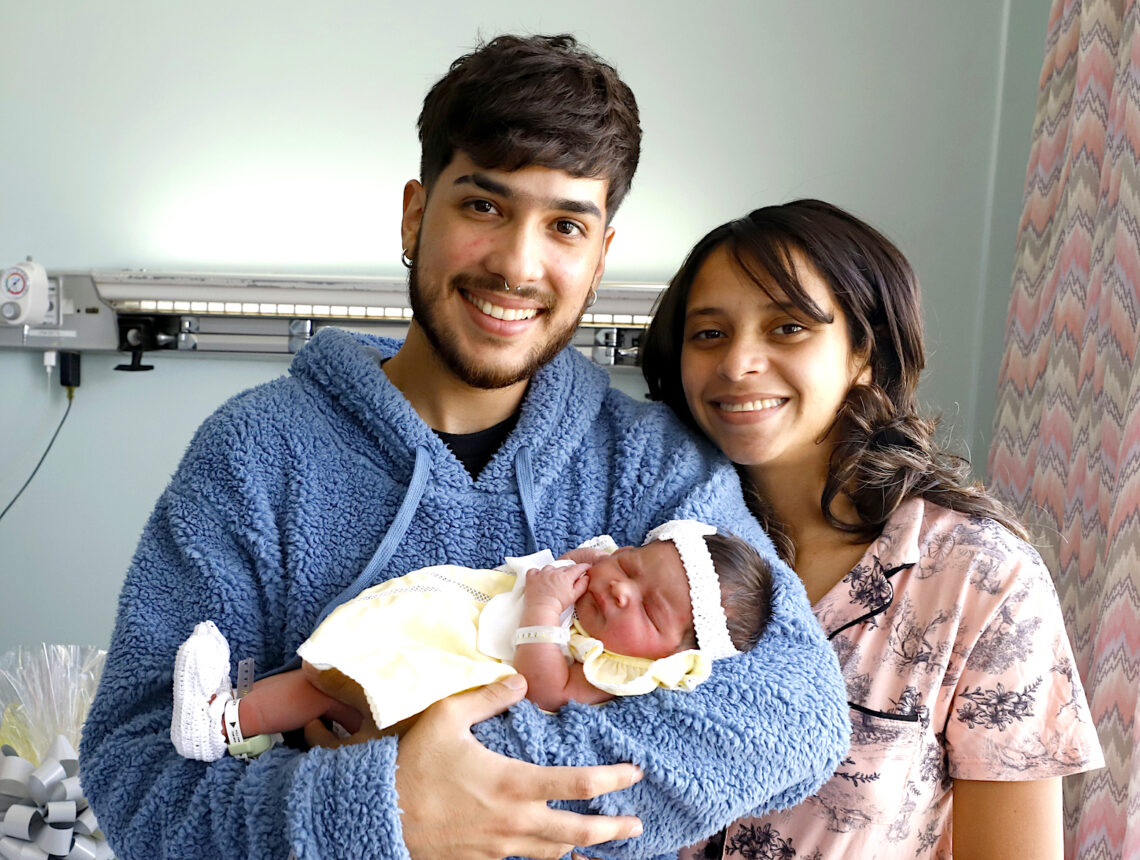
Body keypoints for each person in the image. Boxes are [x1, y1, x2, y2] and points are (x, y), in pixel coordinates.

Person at [79, 37, 850, 860]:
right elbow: (137, 781)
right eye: (484, 206)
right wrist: (384, 811)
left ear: (599, 258)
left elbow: (790, 722)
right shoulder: (255, 456)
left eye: (565, 225)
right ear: (416, 214)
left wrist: (444, 792)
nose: (519, 264)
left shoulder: (658, 468)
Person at [640, 198, 1105, 859]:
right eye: (708, 333)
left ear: (866, 351)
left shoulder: (978, 577)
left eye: (788, 328)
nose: (738, 362)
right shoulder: (648, 537)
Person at [170, 520, 773, 761]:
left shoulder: (616, 669)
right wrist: (583, 566)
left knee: (330, 684)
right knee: (326, 678)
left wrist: (543, 605)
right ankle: (249, 727)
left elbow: (542, 690)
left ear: (675, 656)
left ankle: (223, 722)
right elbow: (593, 567)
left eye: (649, 607)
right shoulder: (600, 587)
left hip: (439, 688)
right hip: (443, 637)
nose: (621, 590)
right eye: (635, 565)